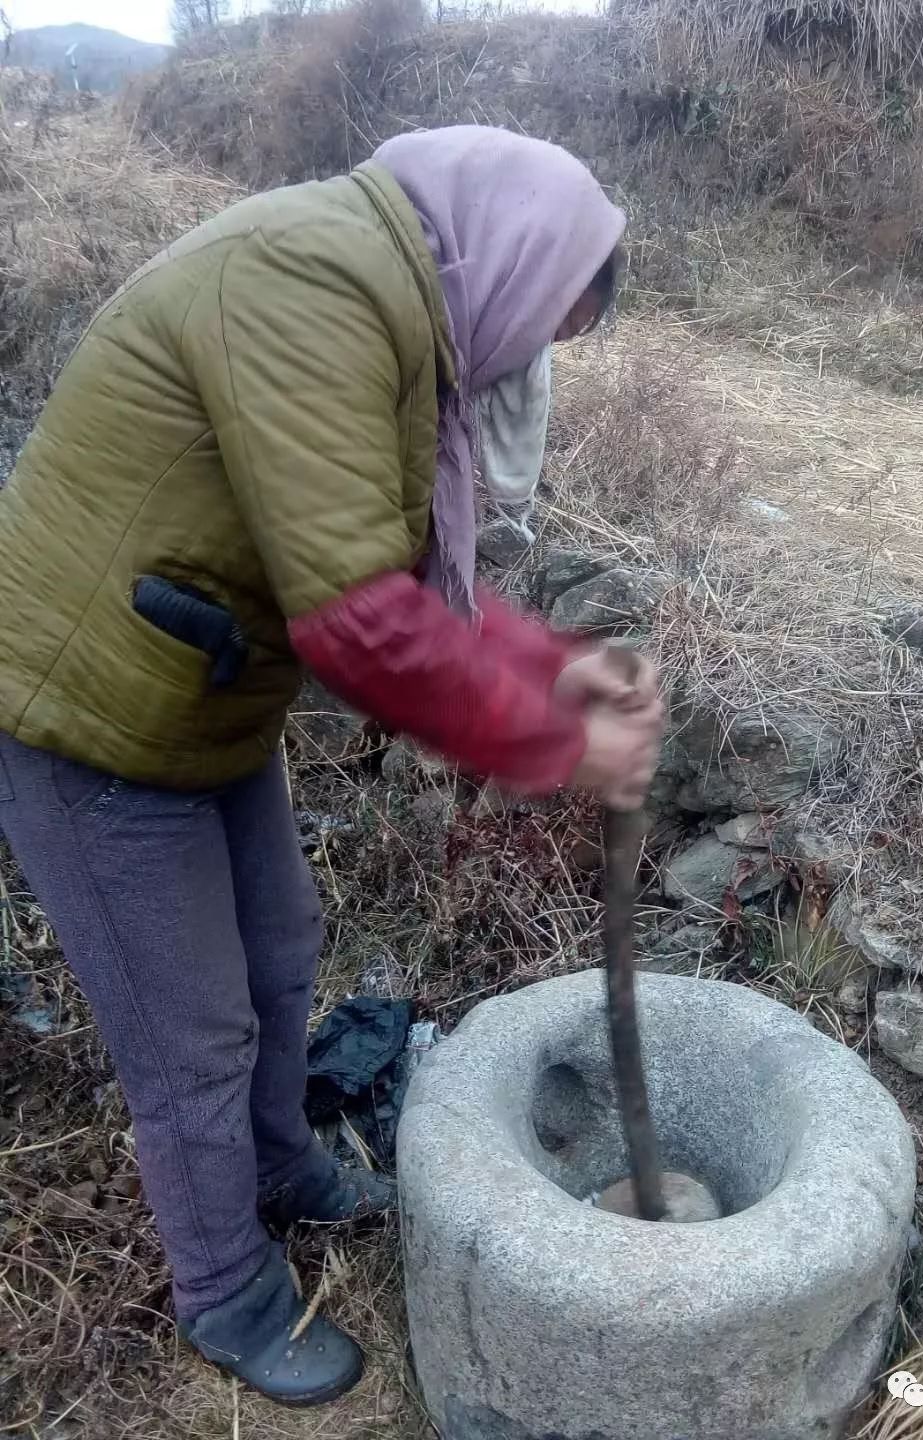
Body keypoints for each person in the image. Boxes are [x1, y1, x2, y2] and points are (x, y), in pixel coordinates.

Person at [0, 125, 663, 1407]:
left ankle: (279, 1163)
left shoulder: (399, 307)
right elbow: (362, 620)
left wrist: (555, 670)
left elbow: (408, 581)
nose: (524, 369)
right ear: (507, 263)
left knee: (282, 946)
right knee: (188, 1026)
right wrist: (560, 743)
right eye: (541, 334)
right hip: (82, 708)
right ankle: (225, 1289)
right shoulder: (314, 281)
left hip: (192, 684)